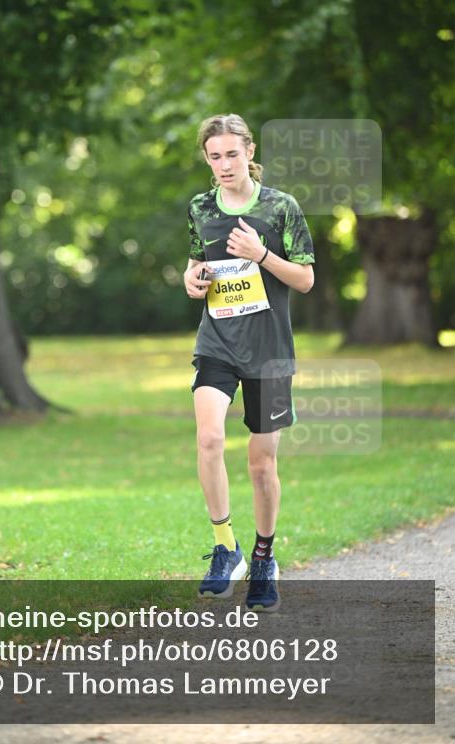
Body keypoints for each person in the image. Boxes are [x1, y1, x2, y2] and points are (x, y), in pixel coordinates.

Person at [183, 113, 315, 610]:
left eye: (231, 154)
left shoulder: (281, 207)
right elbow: (196, 263)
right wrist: (190, 280)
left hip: (269, 352)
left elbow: (305, 279)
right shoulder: (200, 208)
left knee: (261, 466)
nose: (224, 165)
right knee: (209, 438)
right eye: (214, 156)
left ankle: (263, 558)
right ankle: (225, 547)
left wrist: (261, 255)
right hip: (217, 343)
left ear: (249, 152)